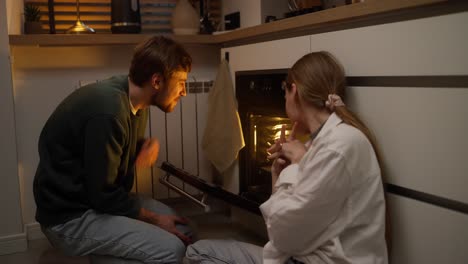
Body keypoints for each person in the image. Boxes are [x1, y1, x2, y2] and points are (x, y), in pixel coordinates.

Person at [184, 51, 388, 264]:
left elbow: (282, 236)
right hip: (303, 253)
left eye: (284, 89)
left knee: (198, 252)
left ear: (294, 90)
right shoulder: (330, 140)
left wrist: (297, 166)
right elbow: (280, 223)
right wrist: (278, 173)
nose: (283, 97)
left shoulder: (336, 148)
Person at [33, 36, 194, 264]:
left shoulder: (138, 100)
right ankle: (106, 251)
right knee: (173, 250)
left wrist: (141, 146)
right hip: (70, 216)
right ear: (157, 81)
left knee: (183, 231)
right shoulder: (109, 111)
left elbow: (106, 147)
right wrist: (154, 219)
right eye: (181, 83)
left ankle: (109, 249)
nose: (184, 92)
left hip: (95, 200)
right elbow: (103, 196)